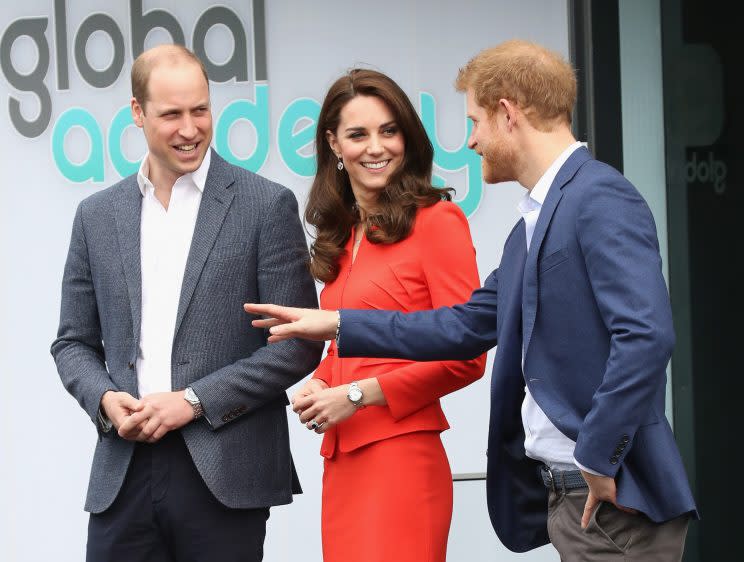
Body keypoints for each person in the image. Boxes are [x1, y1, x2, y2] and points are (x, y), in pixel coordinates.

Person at [244, 41, 699, 560]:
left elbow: (646, 335)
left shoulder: (598, 197)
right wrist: (337, 327)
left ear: (507, 114)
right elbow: (461, 326)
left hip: (610, 494)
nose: (472, 139)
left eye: (476, 121)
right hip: (567, 496)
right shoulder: (532, 226)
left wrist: (598, 452)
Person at [51, 44, 322, 562]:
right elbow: (73, 343)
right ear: (137, 113)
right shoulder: (96, 215)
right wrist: (107, 401)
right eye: (171, 114)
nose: (190, 128)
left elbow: (297, 344)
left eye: (200, 110)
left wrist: (193, 401)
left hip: (225, 468)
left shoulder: (266, 205)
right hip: (123, 468)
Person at [279, 68, 485, 562]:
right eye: (358, 134)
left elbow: (467, 352)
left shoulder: (438, 221)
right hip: (343, 461)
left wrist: (356, 395)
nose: (376, 147)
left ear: (407, 138)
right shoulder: (344, 233)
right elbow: (349, 343)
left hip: (402, 462)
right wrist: (320, 380)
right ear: (334, 144)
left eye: (389, 130)